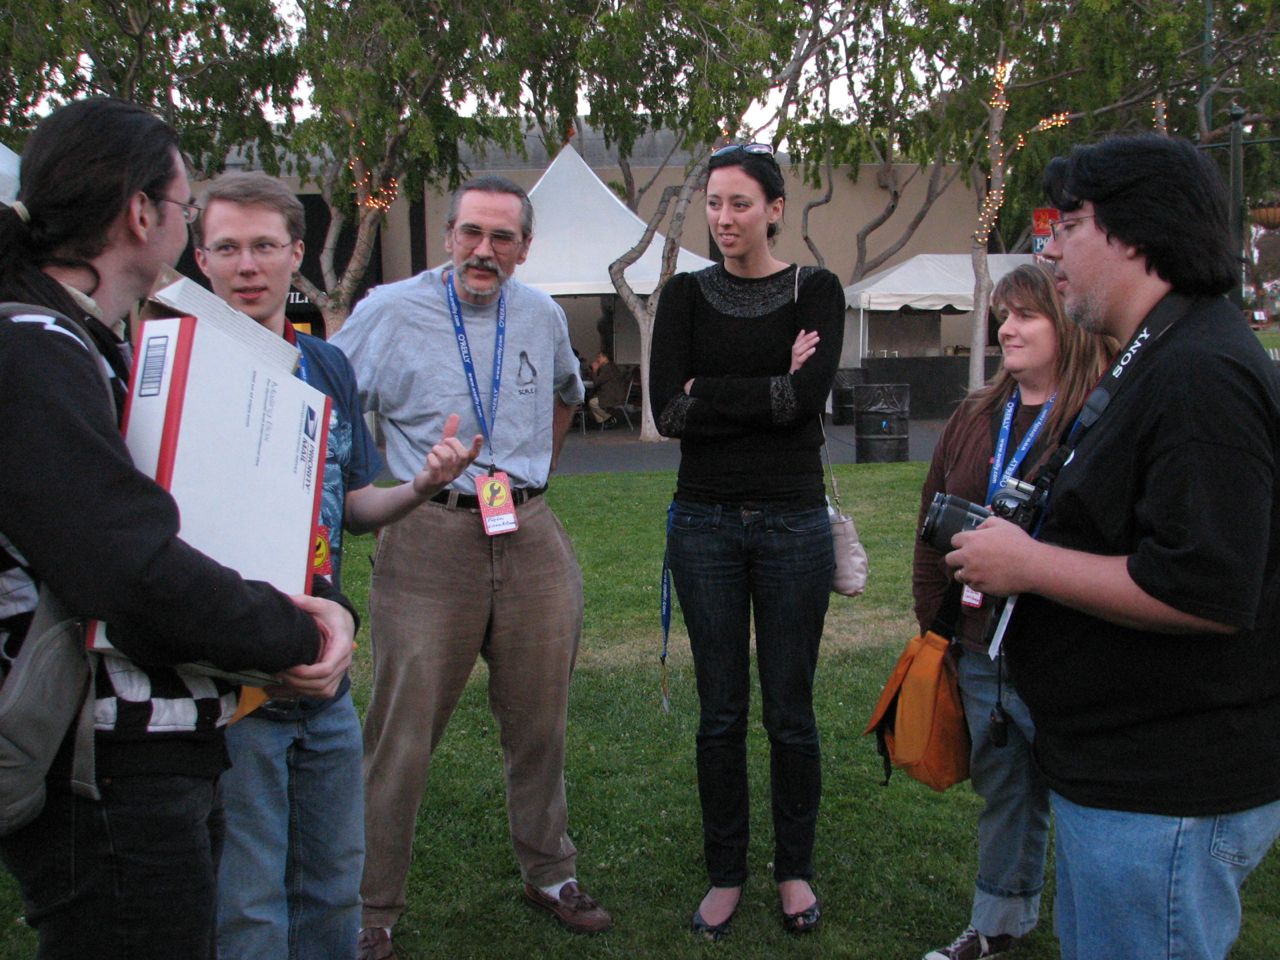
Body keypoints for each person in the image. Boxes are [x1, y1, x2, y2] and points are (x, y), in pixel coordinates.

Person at [0, 98, 356, 959]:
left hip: (160, 745)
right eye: (191, 211)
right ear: (140, 213)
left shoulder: (89, 341)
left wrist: (318, 597)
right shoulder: (31, 347)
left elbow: (199, 510)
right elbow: (125, 566)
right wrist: (290, 634)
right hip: (103, 767)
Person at [945, 133, 1280, 960]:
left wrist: (1027, 564)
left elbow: (1203, 588)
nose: (1049, 246)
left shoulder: (1201, 371)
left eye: (1069, 222)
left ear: (1135, 231)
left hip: (1166, 794)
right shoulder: (1159, 354)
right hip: (1126, 780)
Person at [192, 171, 481, 960]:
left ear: (294, 256)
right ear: (200, 259)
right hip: (229, 679)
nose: (247, 265)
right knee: (249, 905)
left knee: (332, 886)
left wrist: (421, 486)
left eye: (263, 247)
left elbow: (351, 506)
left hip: (324, 667)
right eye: (227, 248)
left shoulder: (326, 367)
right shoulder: (179, 367)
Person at [331, 174, 611, 959]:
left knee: (540, 723)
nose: (484, 251)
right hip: (427, 533)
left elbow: (567, 390)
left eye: (502, 237)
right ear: (448, 236)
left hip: (529, 531)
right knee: (403, 732)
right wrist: (369, 481)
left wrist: (534, 476)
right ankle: (371, 907)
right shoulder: (389, 310)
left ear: (525, 247)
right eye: (470, 233)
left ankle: (550, 870)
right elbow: (324, 392)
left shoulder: (542, 313)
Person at [649, 142, 845, 939]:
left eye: (740, 203)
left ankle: (793, 871)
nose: (724, 218)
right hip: (703, 524)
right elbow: (668, 413)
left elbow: (807, 402)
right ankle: (726, 873)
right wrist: (771, 388)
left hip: (795, 523)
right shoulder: (685, 296)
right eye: (715, 203)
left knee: (791, 713)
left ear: (774, 208)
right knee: (720, 712)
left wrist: (713, 390)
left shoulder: (816, 290)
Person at [913, 264, 1114, 960]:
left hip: (1064, 653)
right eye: (1004, 314)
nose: (1008, 328)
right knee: (1006, 795)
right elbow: (928, 526)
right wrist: (937, 629)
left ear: (1067, 326)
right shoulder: (975, 417)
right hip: (977, 650)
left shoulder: (1099, 419)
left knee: (1092, 807)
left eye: (1026, 315)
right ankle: (998, 926)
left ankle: (1102, 933)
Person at [586, 350, 628, 425]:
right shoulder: (611, 366)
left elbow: (596, 382)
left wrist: (595, 370)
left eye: (599, 357)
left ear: (605, 357)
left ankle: (607, 418)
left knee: (592, 402)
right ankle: (605, 421)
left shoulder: (607, 368)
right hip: (614, 394)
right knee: (592, 399)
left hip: (613, 396)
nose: (597, 359)